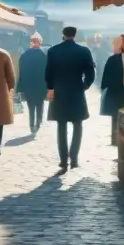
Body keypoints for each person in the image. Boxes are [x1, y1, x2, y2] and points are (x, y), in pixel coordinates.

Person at [45, 26, 95, 174]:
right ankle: (74, 158)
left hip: (59, 91)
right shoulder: (84, 51)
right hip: (76, 91)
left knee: (61, 126)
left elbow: (48, 73)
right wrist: (84, 86)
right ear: (75, 35)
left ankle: (63, 160)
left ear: (63, 35)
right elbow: (90, 73)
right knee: (78, 125)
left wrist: (51, 87)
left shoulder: (53, 51)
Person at [17, 33, 48, 134]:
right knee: (39, 104)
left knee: (31, 107)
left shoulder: (24, 56)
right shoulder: (44, 56)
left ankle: (32, 125)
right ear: (40, 43)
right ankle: (38, 123)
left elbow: (21, 73)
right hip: (41, 86)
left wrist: (20, 88)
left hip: (29, 86)